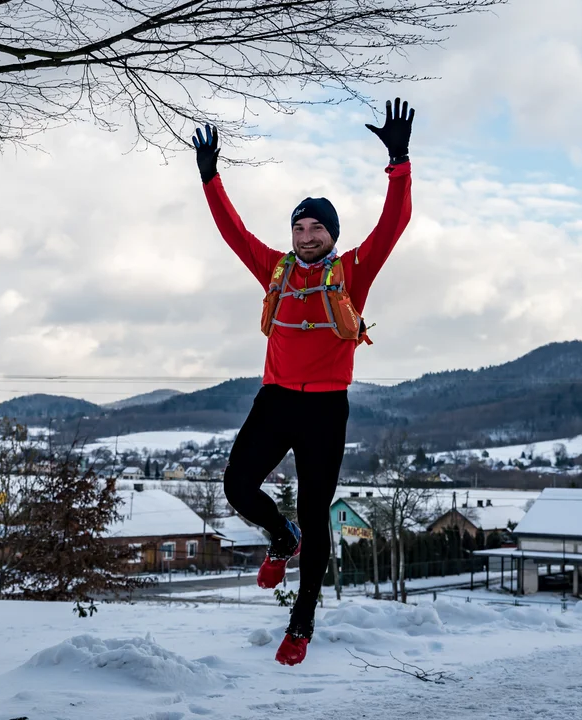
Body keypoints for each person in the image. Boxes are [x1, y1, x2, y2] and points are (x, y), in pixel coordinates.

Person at [192, 99, 414, 666]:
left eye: (316, 227)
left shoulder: (352, 272)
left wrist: (399, 161)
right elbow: (232, 231)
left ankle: (301, 622)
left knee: (319, 516)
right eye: (299, 225)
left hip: (324, 411)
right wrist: (211, 177)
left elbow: (395, 224)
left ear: (331, 235)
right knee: (237, 487)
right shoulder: (275, 269)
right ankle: (279, 538)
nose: (306, 233)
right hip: (274, 401)